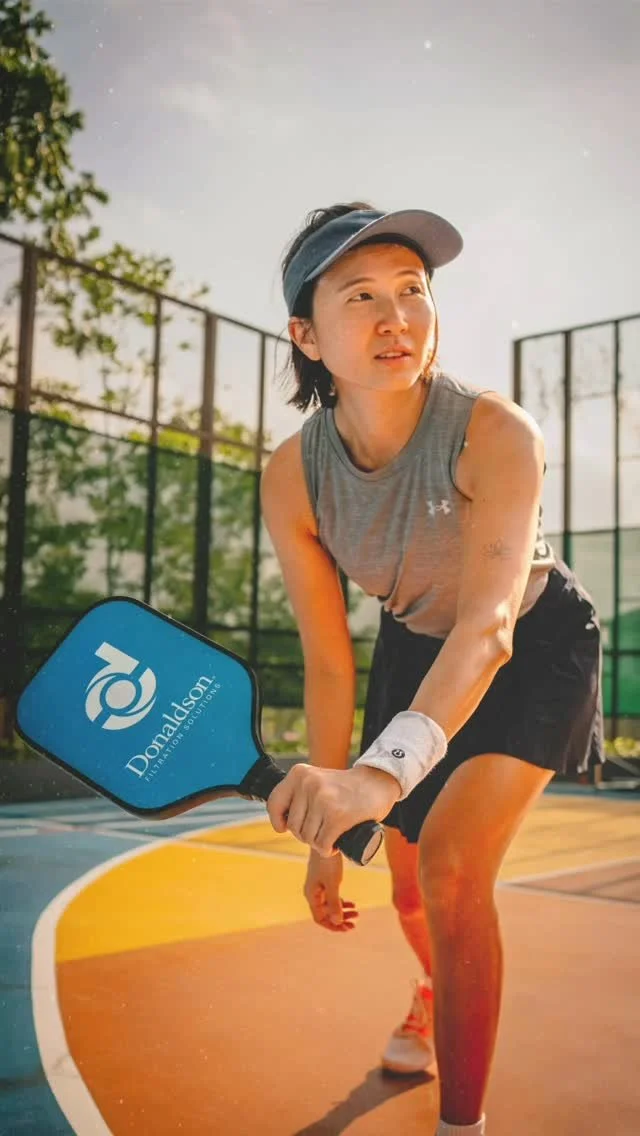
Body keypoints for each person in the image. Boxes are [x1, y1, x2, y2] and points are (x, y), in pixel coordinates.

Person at [260, 202, 604, 1136]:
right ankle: (431, 989)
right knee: (408, 889)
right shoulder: (293, 476)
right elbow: (328, 661)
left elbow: (489, 629)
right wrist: (328, 833)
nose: (396, 318)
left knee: (451, 870)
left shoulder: (496, 433)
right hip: (413, 645)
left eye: (412, 291)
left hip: (534, 641)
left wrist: (380, 775)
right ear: (306, 336)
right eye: (361, 297)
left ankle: (464, 1125)